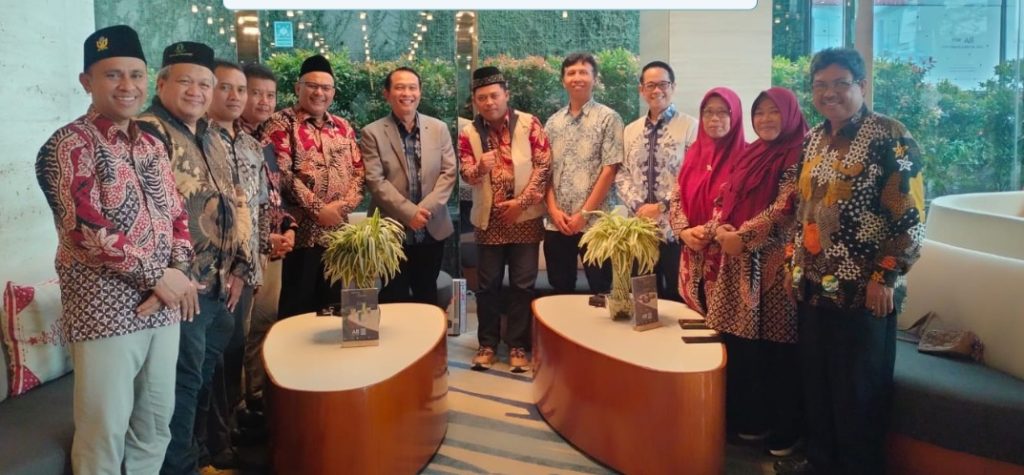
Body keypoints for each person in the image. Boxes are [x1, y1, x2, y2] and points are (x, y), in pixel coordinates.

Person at [35, 25, 197, 475]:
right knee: (103, 433)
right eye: (112, 75)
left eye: (136, 75)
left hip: (164, 306)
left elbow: (177, 213)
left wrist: (178, 271)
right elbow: (84, 228)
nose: (127, 86)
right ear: (87, 81)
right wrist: (158, 276)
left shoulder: (152, 144)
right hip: (104, 311)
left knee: (154, 426)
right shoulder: (68, 144)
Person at [777, 47, 925, 475]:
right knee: (818, 386)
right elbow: (801, 208)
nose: (829, 93)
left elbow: (911, 216)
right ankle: (821, 463)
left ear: (861, 85)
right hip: (812, 287)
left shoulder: (891, 136)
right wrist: (791, 264)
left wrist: (885, 275)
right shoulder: (813, 139)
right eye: (820, 85)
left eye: (840, 83)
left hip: (864, 291)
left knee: (859, 392)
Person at [136, 40, 258, 475]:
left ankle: (201, 457)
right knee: (181, 385)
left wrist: (241, 266)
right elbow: (145, 214)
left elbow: (236, 200)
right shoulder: (148, 132)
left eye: (205, 84)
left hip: (221, 286)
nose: (196, 91)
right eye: (185, 81)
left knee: (204, 379)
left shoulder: (211, 134)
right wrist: (174, 274)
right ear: (161, 83)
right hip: (183, 289)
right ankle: (179, 467)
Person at [708, 87, 807, 455]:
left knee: (776, 350)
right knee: (742, 347)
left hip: (776, 266)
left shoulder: (800, 154)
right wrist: (720, 227)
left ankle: (783, 429)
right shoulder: (752, 152)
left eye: (773, 112)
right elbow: (724, 195)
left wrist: (742, 237)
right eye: (759, 112)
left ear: (790, 114)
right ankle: (748, 422)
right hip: (738, 262)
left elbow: (785, 209)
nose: (765, 119)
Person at [197, 58, 267, 470]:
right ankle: (211, 444)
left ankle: (227, 431)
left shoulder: (251, 145)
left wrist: (254, 261)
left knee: (235, 352)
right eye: (226, 87)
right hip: (212, 275)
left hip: (245, 269)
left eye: (241, 89)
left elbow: (257, 209)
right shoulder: (200, 141)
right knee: (214, 361)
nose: (236, 96)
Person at [458, 66, 551, 372]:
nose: (489, 102)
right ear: (475, 101)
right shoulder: (469, 132)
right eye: (482, 97)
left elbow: (544, 166)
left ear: (506, 95)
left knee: (523, 285)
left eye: (494, 95)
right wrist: (479, 169)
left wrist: (520, 204)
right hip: (489, 220)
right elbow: (466, 173)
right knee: (487, 286)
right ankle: (487, 344)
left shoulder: (529, 123)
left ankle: (517, 345)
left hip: (525, 219)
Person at [264, 54, 364, 318]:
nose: (319, 92)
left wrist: (343, 207)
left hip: (338, 234)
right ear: (298, 88)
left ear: (333, 92)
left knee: (335, 306)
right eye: (312, 86)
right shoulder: (280, 123)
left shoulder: (343, 127)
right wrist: (319, 210)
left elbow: (358, 172)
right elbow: (281, 174)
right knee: (298, 309)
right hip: (300, 236)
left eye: (326, 87)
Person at [360, 67, 457, 305]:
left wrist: (424, 211)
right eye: (399, 87)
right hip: (390, 229)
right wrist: (409, 213)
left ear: (420, 92)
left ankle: (429, 331)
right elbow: (375, 180)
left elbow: (449, 173)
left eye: (412, 87)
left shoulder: (438, 128)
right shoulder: (372, 132)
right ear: (387, 94)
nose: (407, 93)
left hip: (432, 228)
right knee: (394, 294)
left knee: (427, 292)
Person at [238, 62, 296, 428]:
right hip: (244, 256)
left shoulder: (265, 143)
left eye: (269, 95)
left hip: (273, 250)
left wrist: (288, 226)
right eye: (254, 92)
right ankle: (239, 411)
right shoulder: (227, 141)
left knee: (262, 327)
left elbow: (274, 194)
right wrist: (264, 240)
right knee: (240, 335)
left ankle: (255, 399)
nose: (263, 101)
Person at [543, 52, 622, 295]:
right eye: (571, 73)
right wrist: (553, 210)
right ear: (563, 80)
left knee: (601, 288)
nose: (577, 77)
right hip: (557, 223)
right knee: (560, 289)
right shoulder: (553, 122)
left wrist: (584, 214)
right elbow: (545, 171)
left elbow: (610, 170)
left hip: (595, 223)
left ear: (594, 78)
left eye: (583, 72)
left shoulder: (609, 118)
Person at [618, 61, 698, 301]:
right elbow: (621, 173)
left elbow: (694, 176)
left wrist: (662, 206)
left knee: (677, 296)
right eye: (650, 85)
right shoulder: (630, 130)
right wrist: (638, 206)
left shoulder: (690, 127)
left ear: (673, 86)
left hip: (676, 230)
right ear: (641, 89)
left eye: (663, 84)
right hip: (640, 230)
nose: (657, 90)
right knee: (644, 299)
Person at [670, 87, 746, 314]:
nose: (714, 118)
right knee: (691, 318)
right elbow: (677, 195)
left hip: (724, 256)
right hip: (691, 251)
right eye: (708, 112)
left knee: (722, 321)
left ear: (735, 116)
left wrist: (706, 232)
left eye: (723, 112)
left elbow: (740, 204)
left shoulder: (747, 157)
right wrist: (683, 231)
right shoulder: (693, 152)